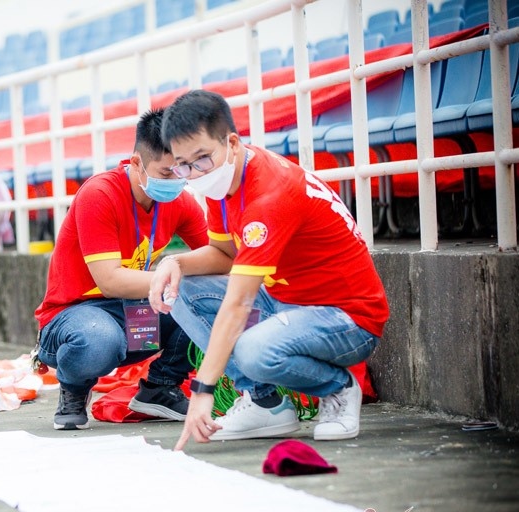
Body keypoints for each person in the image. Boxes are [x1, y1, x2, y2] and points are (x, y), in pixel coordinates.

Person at [148, 90, 389, 450]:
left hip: (346, 318)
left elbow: (238, 304)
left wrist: (203, 390)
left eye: (202, 159)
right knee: (176, 286)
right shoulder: (225, 183)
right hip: (286, 301)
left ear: (231, 142)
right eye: (184, 164)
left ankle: (337, 388)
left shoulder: (270, 193)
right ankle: (266, 404)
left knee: (252, 351)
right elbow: (225, 255)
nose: (195, 173)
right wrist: (174, 261)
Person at [33, 109, 209, 430]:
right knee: (98, 340)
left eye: (182, 170)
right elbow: (110, 281)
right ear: (137, 163)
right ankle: (73, 389)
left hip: (135, 307)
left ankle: (160, 387)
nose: (176, 181)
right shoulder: (100, 194)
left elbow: (219, 254)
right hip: (76, 312)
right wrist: (173, 273)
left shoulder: (180, 201)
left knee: (208, 296)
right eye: (166, 173)